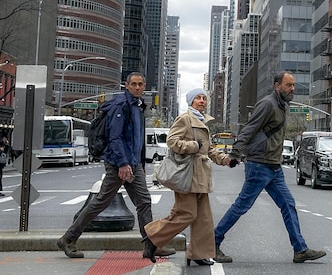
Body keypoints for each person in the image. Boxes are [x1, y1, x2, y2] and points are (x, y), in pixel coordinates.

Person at [57, 72, 175, 259]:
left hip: (133, 164)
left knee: (143, 202)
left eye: (140, 84)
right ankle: (69, 239)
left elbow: (138, 140)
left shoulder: (137, 107)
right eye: (134, 84)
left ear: (144, 86)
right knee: (100, 202)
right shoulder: (121, 106)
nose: (137, 87)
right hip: (118, 164)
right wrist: (122, 163)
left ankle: (151, 246)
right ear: (126, 86)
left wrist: (140, 164)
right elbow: (115, 137)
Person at [214, 71, 326, 264]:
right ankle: (213, 242)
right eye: (288, 85)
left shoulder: (282, 105)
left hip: (274, 166)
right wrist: (235, 153)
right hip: (259, 165)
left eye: (293, 85)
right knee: (242, 206)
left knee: (288, 204)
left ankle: (300, 249)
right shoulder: (268, 104)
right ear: (277, 86)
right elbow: (249, 128)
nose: (292, 89)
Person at [142, 88, 233, 266]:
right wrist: (193, 145)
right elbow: (172, 141)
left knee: (203, 218)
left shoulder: (202, 121)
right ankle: (152, 237)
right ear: (191, 102)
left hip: (201, 176)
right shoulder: (185, 119)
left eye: (204, 98)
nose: (201, 101)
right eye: (197, 98)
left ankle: (198, 254)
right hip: (188, 175)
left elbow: (209, 148)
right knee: (187, 214)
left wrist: (225, 160)